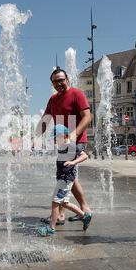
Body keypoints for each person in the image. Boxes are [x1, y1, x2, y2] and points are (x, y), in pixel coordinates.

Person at [35, 68, 93, 224]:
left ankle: (65, 214)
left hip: (76, 141)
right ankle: (82, 209)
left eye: (61, 79)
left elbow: (87, 116)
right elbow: (45, 120)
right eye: (55, 81)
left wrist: (74, 134)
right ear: (52, 84)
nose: (59, 83)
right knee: (69, 177)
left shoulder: (76, 94)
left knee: (66, 176)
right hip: (63, 142)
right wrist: (35, 137)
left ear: (67, 79)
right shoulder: (53, 100)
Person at [37, 125, 92, 237]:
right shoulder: (62, 146)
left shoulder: (70, 145)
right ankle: (84, 216)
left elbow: (84, 156)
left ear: (64, 136)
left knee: (55, 202)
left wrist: (73, 162)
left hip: (66, 178)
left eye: (56, 138)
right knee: (64, 202)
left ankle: (51, 228)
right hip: (63, 178)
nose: (54, 140)